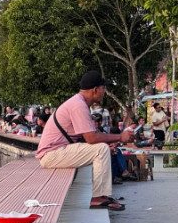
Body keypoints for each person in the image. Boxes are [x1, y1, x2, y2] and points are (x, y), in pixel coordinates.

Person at [35, 71, 134, 211]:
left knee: (102, 148)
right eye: (103, 89)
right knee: (101, 149)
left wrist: (109, 141)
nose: (104, 92)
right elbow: (92, 138)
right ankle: (98, 197)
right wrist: (120, 137)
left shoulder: (78, 102)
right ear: (95, 90)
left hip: (55, 152)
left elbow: (89, 135)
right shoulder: (78, 105)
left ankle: (102, 195)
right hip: (51, 154)